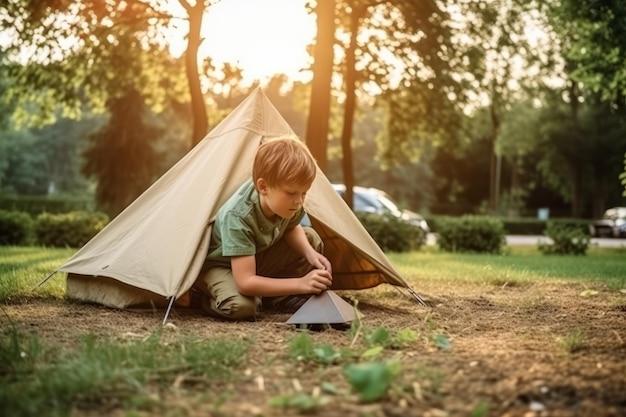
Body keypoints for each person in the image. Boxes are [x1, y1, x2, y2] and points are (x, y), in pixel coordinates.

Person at [193, 135, 333, 320]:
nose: (299, 201)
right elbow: (245, 282)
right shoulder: (238, 216)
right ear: (263, 187)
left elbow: (291, 227)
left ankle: (277, 297)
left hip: (255, 258)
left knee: (311, 239)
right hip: (222, 266)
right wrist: (301, 284)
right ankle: (202, 298)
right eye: (291, 193)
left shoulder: (285, 202)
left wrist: (310, 253)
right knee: (242, 307)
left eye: (303, 193)